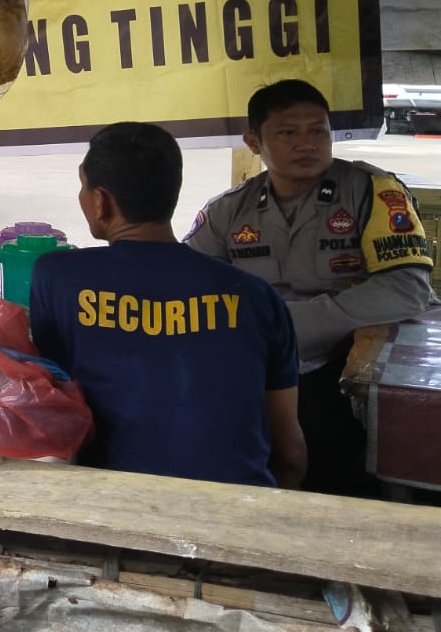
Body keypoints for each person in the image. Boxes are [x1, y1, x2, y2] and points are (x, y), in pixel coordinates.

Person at [186, 79, 436, 494]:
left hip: (342, 367)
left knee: (333, 464)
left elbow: (406, 288)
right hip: (255, 367)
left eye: (318, 130)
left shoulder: (372, 192)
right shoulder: (228, 210)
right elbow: (186, 285)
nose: (307, 144)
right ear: (253, 141)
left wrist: (286, 326)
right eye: (288, 133)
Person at [28, 122, 308, 489]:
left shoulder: (57, 277)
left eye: (84, 188)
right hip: (241, 511)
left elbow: (49, 410)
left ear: (101, 201)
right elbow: (290, 455)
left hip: (112, 511)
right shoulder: (256, 295)